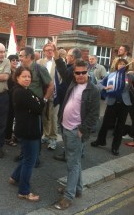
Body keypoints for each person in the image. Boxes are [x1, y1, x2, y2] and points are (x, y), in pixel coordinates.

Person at [54, 60, 100, 210]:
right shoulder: (72, 82)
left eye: (83, 72)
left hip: (76, 131)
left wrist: (82, 130)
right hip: (65, 127)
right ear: (74, 73)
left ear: (88, 72)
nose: (80, 75)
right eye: (77, 72)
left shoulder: (93, 90)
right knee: (75, 161)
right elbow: (61, 70)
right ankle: (77, 189)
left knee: (72, 164)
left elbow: (94, 115)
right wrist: (56, 55)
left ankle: (68, 196)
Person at [8, 66, 44, 202]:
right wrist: (38, 102)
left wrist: (38, 102)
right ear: (17, 77)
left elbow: (37, 102)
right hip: (29, 131)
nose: (27, 79)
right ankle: (23, 191)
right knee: (30, 160)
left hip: (26, 129)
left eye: (29, 76)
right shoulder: (21, 92)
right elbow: (39, 107)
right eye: (24, 76)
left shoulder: (24, 90)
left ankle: (14, 177)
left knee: (26, 157)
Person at [18, 46, 54, 166]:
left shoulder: (39, 68)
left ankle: (35, 157)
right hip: (24, 105)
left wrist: (44, 100)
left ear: (29, 57)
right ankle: (24, 154)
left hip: (36, 105)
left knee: (36, 132)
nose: (20, 58)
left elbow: (50, 85)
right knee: (24, 130)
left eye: (21, 56)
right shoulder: (21, 68)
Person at [91, 59, 133, 155]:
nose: (121, 65)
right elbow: (99, 84)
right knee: (105, 123)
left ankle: (115, 147)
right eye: (120, 64)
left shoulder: (129, 76)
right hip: (112, 103)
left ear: (126, 66)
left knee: (120, 126)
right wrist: (104, 88)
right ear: (117, 65)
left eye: (123, 64)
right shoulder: (111, 75)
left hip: (124, 104)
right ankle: (100, 141)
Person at [53, 47, 82, 161]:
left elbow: (65, 74)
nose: (66, 57)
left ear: (73, 57)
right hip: (70, 102)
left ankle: (68, 154)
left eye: (68, 55)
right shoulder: (77, 66)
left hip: (72, 104)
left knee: (68, 129)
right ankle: (76, 151)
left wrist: (56, 56)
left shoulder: (75, 68)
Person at [37, 43, 63, 150]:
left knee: (53, 116)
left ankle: (53, 138)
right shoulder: (39, 62)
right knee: (44, 115)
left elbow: (61, 78)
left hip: (54, 94)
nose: (49, 51)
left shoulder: (58, 62)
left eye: (51, 49)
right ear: (43, 51)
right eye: (47, 50)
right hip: (42, 93)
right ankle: (46, 135)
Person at [5, 54, 19, 147]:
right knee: (9, 119)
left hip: (16, 98)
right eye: (13, 60)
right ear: (9, 61)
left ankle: (15, 136)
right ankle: (7, 138)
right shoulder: (7, 72)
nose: (15, 61)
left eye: (16, 60)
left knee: (16, 118)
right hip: (8, 98)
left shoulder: (17, 71)